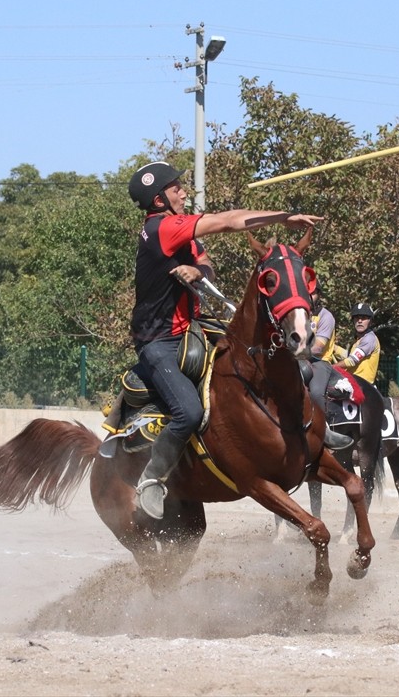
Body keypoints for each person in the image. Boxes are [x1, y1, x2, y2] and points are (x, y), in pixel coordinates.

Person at [128, 161, 323, 520]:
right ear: (159, 201)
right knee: (189, 412)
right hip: (160, 342)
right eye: (176, 189)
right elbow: (230, 220)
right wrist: (285, 218)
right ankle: (152, 479)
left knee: (272, 358)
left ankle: (313, 434)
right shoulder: (164, 227)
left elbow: (208, 266)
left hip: (193, 327)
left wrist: (197, 271)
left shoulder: (183, 233)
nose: (183, 192)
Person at [337, 302, 381, 383]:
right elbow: (348, 355)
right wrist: (333, 347)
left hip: (363, 386)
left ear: (370, 321)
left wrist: (331, 367)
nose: (360, 321)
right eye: (357, 318)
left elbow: (351, 361)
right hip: (353, 382)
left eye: (364, 318)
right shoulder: (359, 339)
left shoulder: (369, 339)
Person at [308, 282, 338, 362]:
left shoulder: (326, 316)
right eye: (305, 292)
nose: (308, 296)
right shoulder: (297, 316)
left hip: (320, 361)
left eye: (312, 293)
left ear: (319, 295)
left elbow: (317, 348)